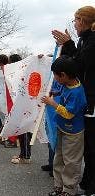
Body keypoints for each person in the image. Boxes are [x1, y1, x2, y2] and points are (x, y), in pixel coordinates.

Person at [51, 6, 95, 195]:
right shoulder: (86, 40)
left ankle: (89, 185)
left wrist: (69, 44)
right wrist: (70, 44)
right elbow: (77, 61)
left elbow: (77, 66)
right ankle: (85, 182)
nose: (74, 24)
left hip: (91, 100)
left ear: (84, 21)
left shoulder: (93, 42)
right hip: (87, 99)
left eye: (76, 20)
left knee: (90, 147)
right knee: (84, 148)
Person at [41, 56, 86, 196]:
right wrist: (54, 94)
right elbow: (59, 92)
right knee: (59, 157)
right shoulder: (66, 84)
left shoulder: (77, 92)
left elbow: (68, 114)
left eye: (55, 75)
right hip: (62, 128)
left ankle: (69, 190)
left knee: (71, 161)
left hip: (74, 132)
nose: (54, 78)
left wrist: (52, 103)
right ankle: (59, 186)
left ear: (64, 75)